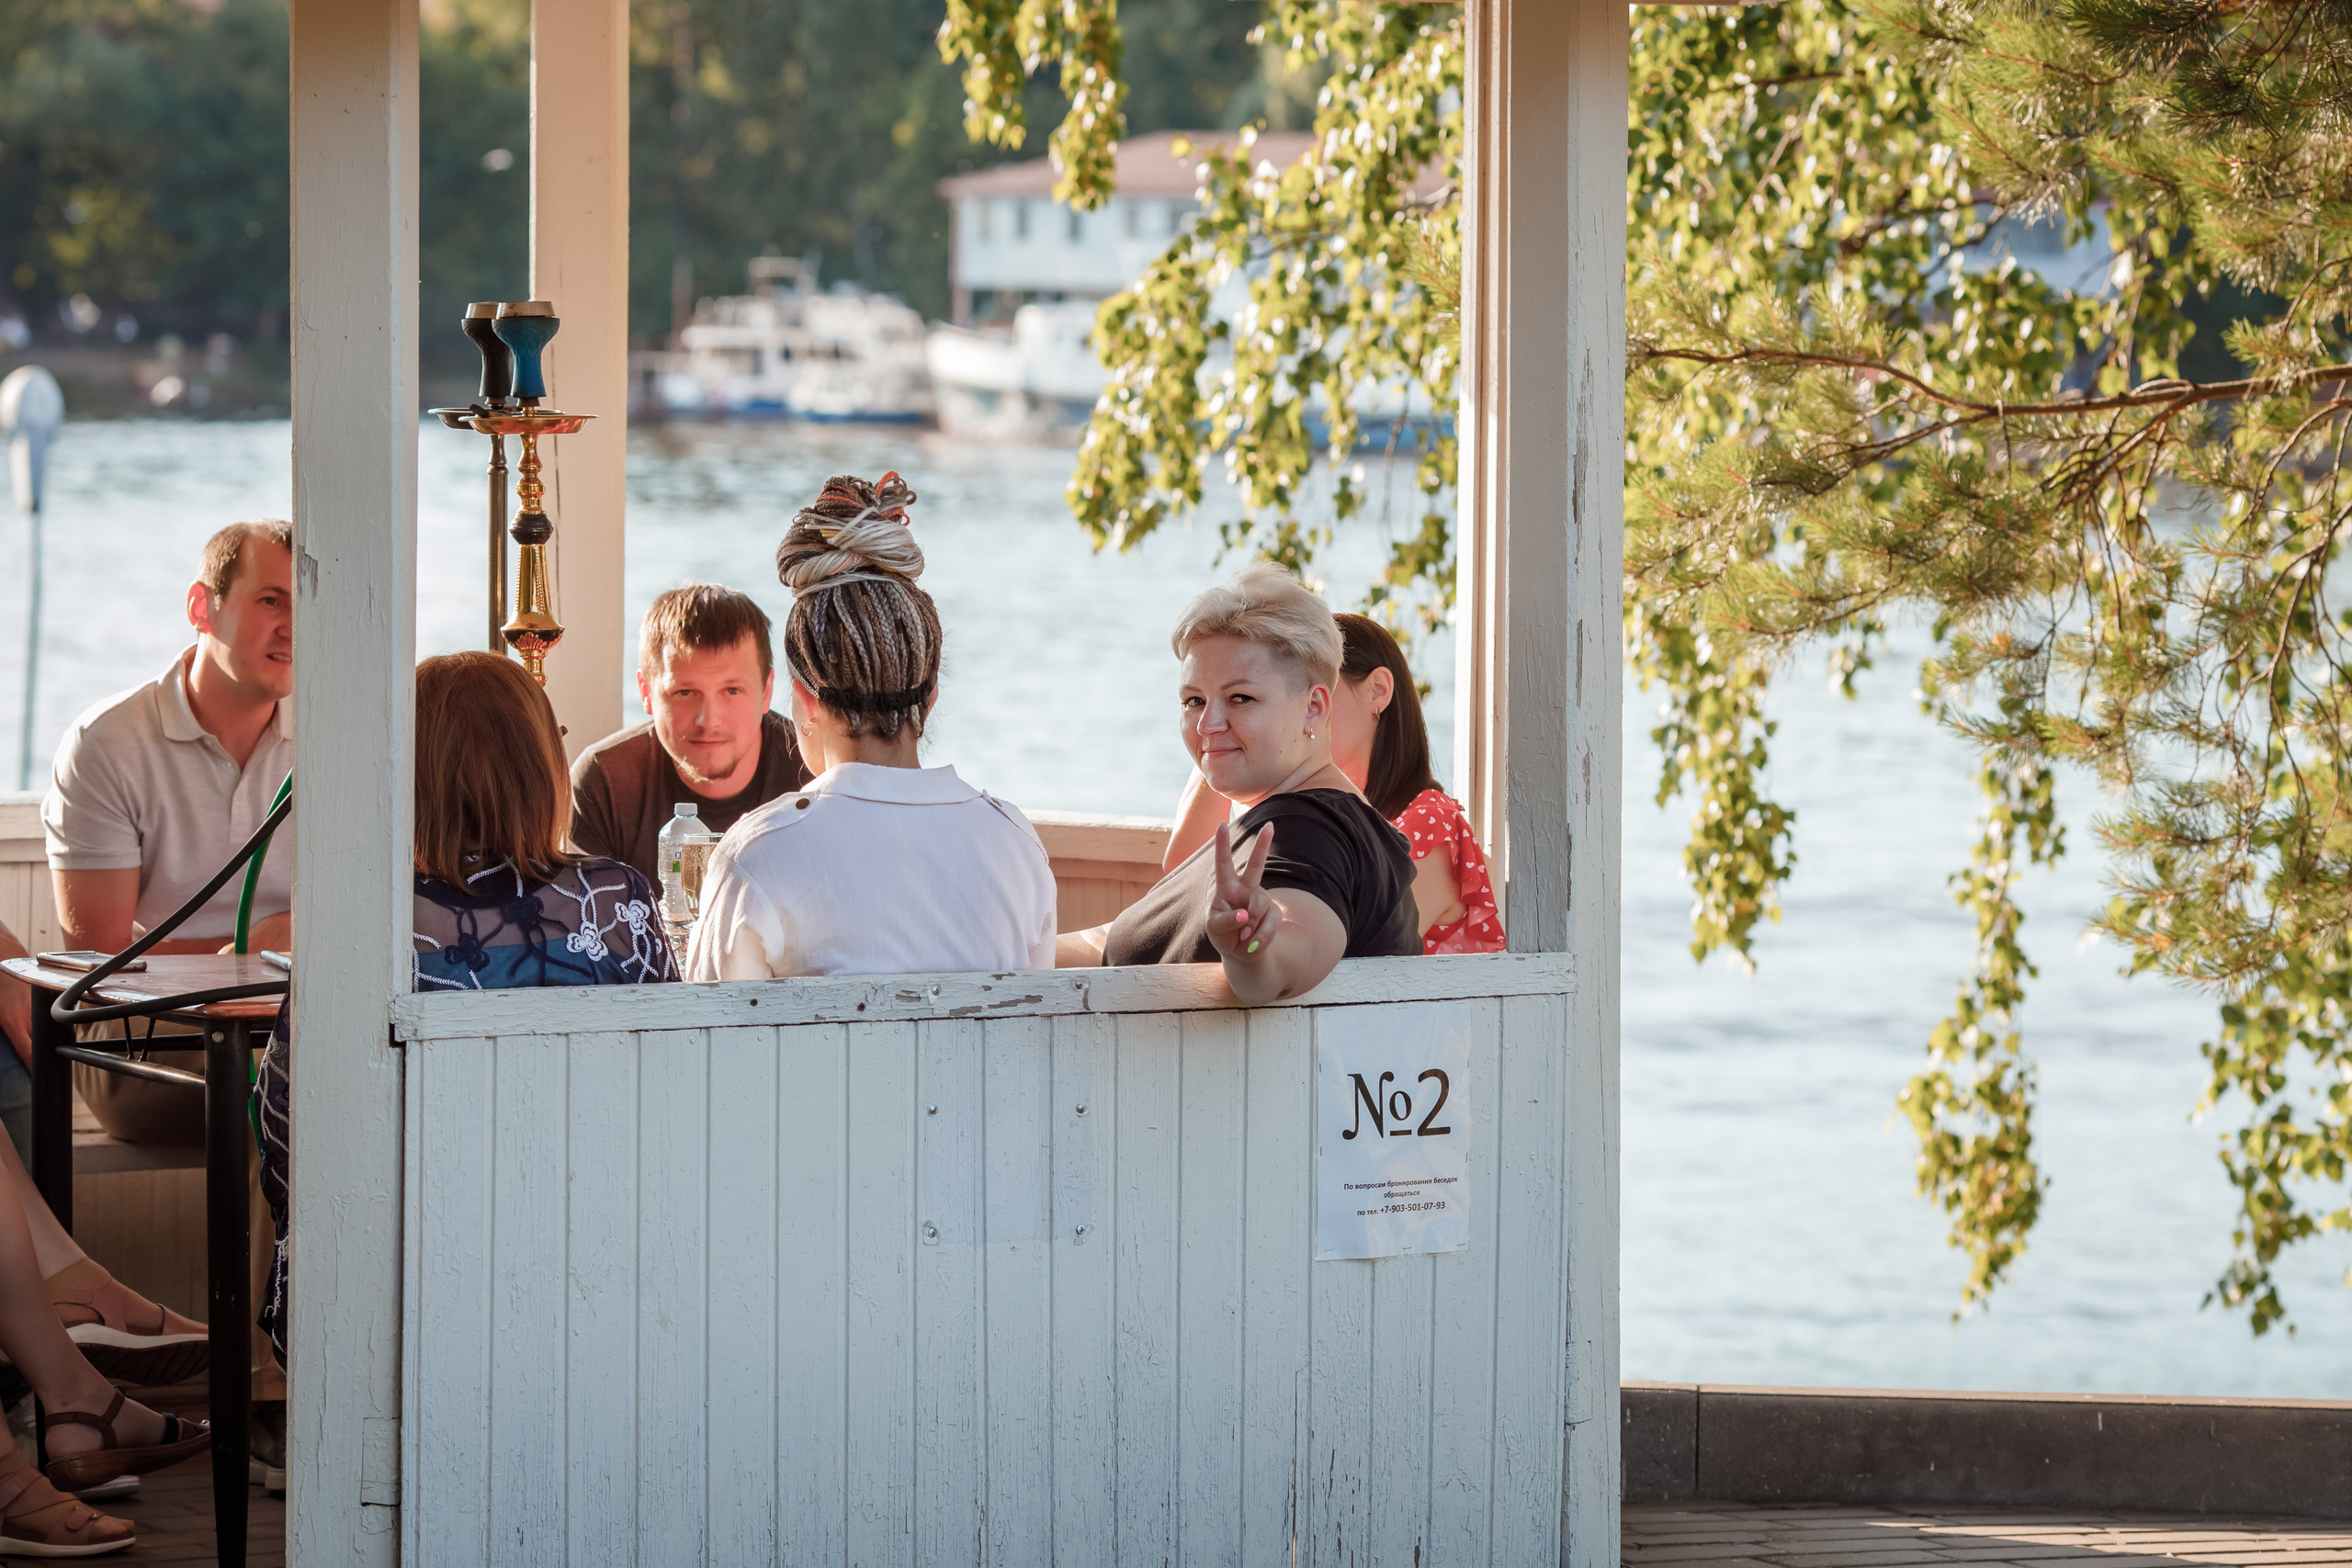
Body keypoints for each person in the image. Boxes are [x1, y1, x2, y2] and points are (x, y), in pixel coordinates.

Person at [256, 652, 677, 1405]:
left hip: (412, 1291)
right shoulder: (618, 900)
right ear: (543, 763)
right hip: (604, 1279)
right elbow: (671, 1102)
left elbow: (287, 1124)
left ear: (406, 771)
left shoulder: (369, 920)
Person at [36, 518, 292, 1473]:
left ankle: (309, 1388)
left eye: (308, 602)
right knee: (299, 1106)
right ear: (202, 607)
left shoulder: (342, 737)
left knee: (336, 1097)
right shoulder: (108, 741)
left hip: (285, 1040)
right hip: (141, 1054)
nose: (294, 626)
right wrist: (258, 945)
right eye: (270, 599)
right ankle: (268, 1402)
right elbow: (99, 953)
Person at [684, 472, 1057, 979]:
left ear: (804, 701)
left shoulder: (757, 857)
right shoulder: (1015, 845)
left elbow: (709, 1044)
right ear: (930, 701)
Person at [1058, 564, 1419, 1002]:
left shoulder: (1307, 830)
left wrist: (1253, 950)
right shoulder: (1314, 817)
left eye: (1240, 698)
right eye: (1194, 700)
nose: (1208, 723)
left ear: (1313, 708)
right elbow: (1108, 945)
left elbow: (1294, 945)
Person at [1161, 613, 1506, 954]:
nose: (1303, 709)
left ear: (1378, 691)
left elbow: (1355, 950)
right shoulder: (1309, 812)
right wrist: (1223, 737)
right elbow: (1181, 875)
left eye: (1321, 689)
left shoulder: (1432, 821)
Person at [570, 583, 814, 887]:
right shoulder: (605, 782)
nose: (708, 720)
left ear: (766, 692)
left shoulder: (813, 773)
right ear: (646, 693)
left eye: (732, 690)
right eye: (685, 692)